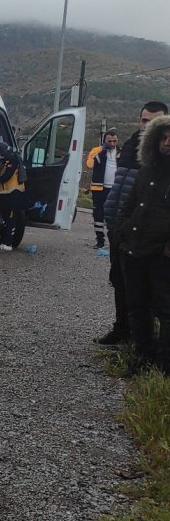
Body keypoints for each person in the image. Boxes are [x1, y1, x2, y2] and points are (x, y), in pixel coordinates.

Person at [96, 100, 169, 346]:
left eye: (153, 121)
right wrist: (116, 225)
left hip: (145, 235)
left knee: (146, 292)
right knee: (119, 280)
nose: (146, 125)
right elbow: (122, 188)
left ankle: (147, 345)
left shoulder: (157, 152)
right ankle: (122, 329)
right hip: (121, 227)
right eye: (143, 120)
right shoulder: (130, 146)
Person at [111, 114, 170, 369]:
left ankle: (164, 365)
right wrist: (121, 233)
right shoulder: (146, 171)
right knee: (136, 306)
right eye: (164, 137)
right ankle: (142, 356)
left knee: (165, 309)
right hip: (134, 249)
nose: (168, 142)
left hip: (162, 253)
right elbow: (129, 205)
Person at [86, 130, 119, 248]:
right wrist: (101, 153)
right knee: (98, 214)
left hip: (115, 188)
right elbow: (89, 164)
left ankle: (115, 242)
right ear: (104, 141)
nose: (112, 144)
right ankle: (100, 241)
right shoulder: (97, 150)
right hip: (99, 188)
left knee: (114, 215)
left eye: (114, 141)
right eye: (109, 141)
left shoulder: (121, 152)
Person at [0, 140, 25, 252]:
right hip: (7, 195)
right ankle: (4, 242)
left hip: (13, 195)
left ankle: (7, 243)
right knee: (6, 219)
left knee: (10, 220)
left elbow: (7, 176)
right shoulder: (7, 159)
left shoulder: (13, 160)